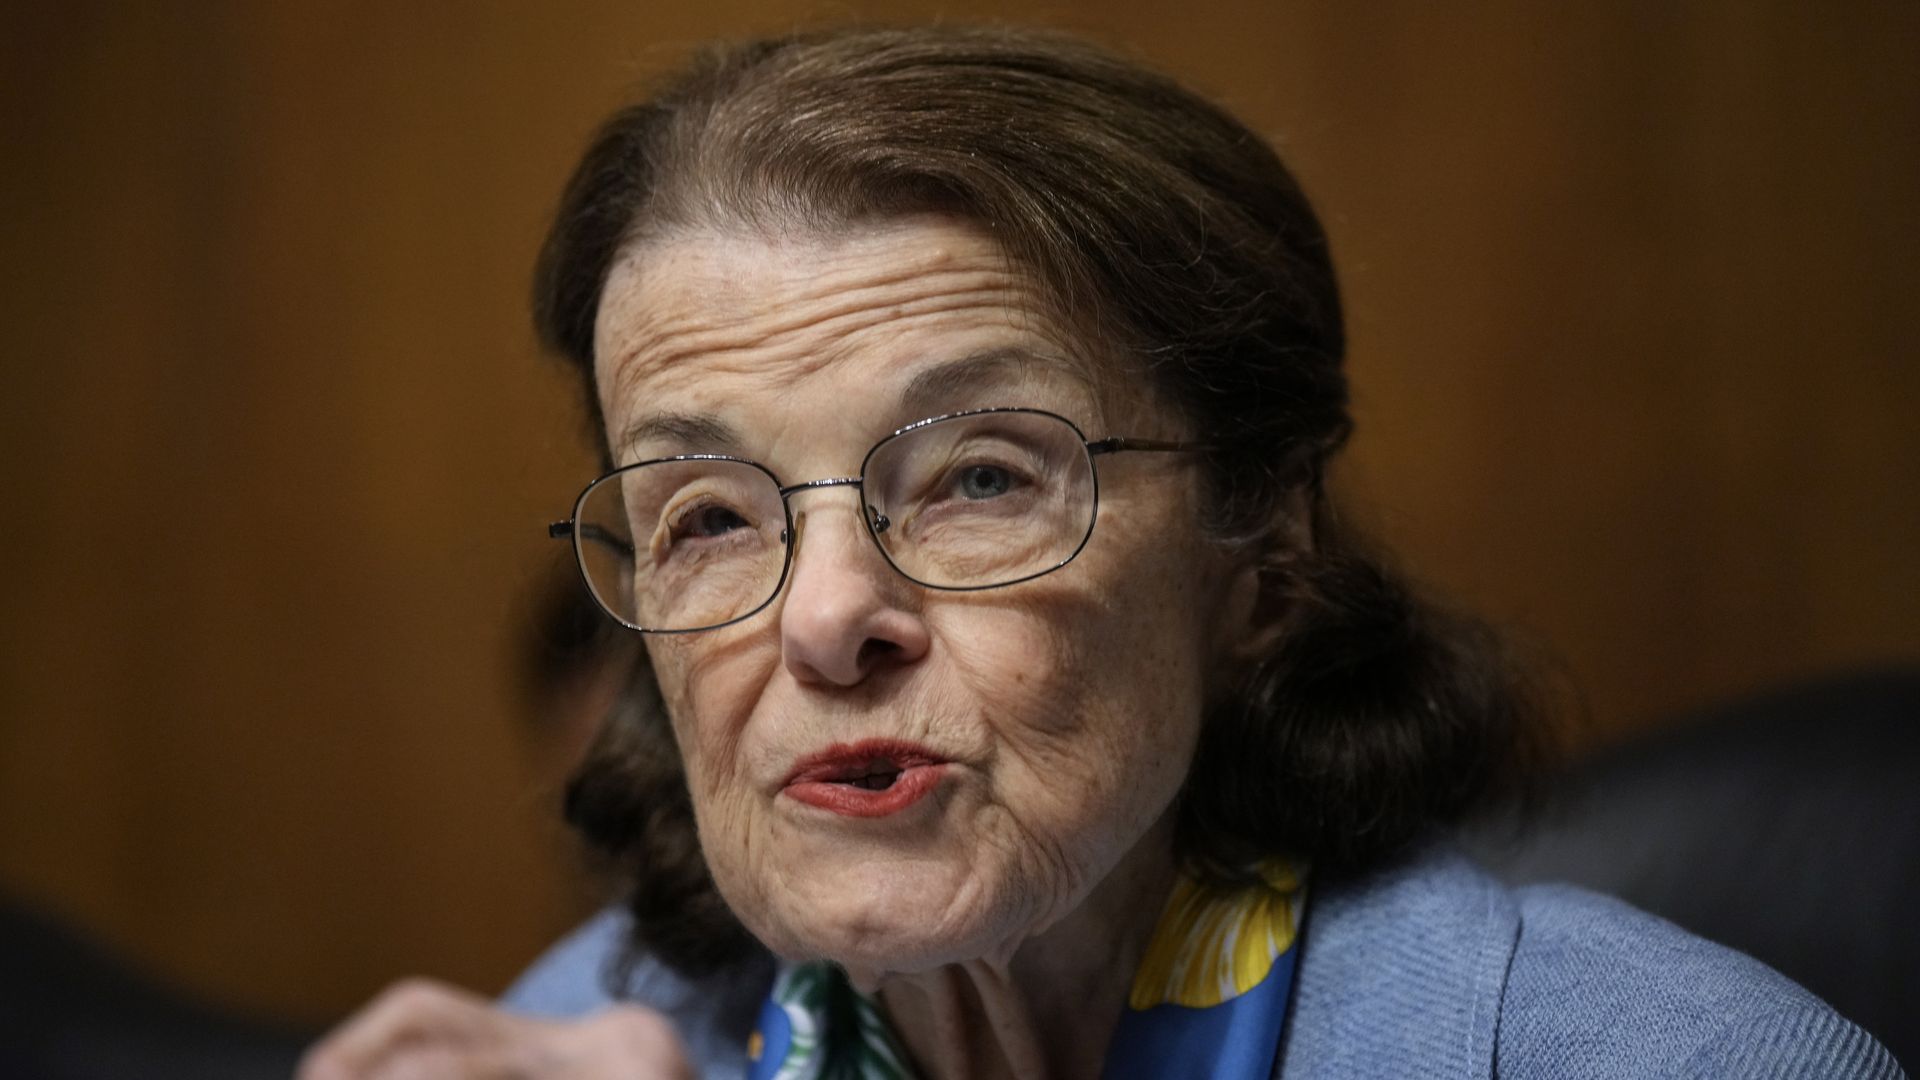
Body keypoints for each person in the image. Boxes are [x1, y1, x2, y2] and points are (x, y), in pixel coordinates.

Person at [298, 25, 1904, 1079]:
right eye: (707, 520)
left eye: (978, 480)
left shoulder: (1680, 1063)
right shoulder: (580, 1036)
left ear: (1260, 553)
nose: (828, 619)